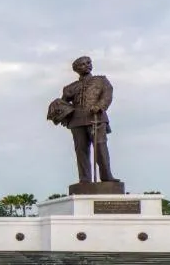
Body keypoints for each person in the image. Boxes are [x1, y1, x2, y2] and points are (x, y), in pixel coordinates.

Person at [47, 55, 118, 184]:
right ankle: (85, 179)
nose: (87, 65)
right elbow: (63, 103)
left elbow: (107, 95)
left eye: (88, 63)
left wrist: (100, 106)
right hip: (77, 121)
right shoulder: (70, 88)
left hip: (96, 118)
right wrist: (57, 107)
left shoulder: (101, 81)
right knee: (81, 151)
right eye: (83, 64)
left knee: (100, 147)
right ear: (76, 69)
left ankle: (107, 176)